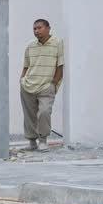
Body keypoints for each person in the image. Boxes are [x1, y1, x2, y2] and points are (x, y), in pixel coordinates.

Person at [20, 18, 64, 151]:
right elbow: (26, 66)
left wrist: (54, 83)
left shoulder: (57, 43)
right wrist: (22, 80)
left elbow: (60, 65)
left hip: (46, 86)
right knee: (29, 115)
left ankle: (43, 140)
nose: (36, 31)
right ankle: (32, 141)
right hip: (28, 86)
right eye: (34, 28)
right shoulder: (30, 46)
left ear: (48, 28)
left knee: (44, 112)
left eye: (39, 28)